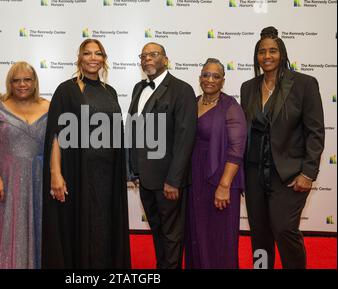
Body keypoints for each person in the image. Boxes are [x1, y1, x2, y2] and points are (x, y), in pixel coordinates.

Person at [240, 26, 325, 269]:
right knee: (259, 234)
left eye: (273, 51)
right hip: (254, 173)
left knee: (284, 229)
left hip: (288, 174)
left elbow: (315, 132)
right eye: (262, 52)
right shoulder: (248, 87)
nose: (267, 56)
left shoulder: (304, 84)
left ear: (282, 53)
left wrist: (308, 173)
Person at [42, 39, 131, 268]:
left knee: (104, 227)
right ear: (79, 58)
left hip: (108, 175)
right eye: (87, 53)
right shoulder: (67, 90)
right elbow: (56, 134)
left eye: (98, 53)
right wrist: (55, 173)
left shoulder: (109, 91)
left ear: (104, 59)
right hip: (78, 172)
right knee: (81, 227)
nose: (93, 58)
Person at [127, 42, 197, 269]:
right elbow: (133, 129)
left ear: (165, 60)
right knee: (157, 231)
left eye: (153, 54)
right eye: (144, 55)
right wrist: (133, 170)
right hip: (145, 179)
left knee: (172, 236)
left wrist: (173, 181)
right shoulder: (139, 88)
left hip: (169, 182)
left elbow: (185, 139)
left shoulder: (182, 90)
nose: (147, 58)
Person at [0, 62, 49, 269]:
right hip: (6, 179)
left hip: (38, 178)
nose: (22, 84)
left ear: (35, 82)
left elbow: (56, 142)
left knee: (37, 223)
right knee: (7, 226)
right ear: (10, 83)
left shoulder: (48, 106)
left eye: (27, 79)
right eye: (16, 80)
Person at [184, 58, 247, 269]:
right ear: (199, 78)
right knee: (197, 231)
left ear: (223, 80)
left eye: (216, 76)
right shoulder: (192, 102)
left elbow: (237, 149)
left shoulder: (230, 106)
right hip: (195, 176)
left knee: (219, 236)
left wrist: (224, 185)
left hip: (221, 175)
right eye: (205, 75)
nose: (210, 79)